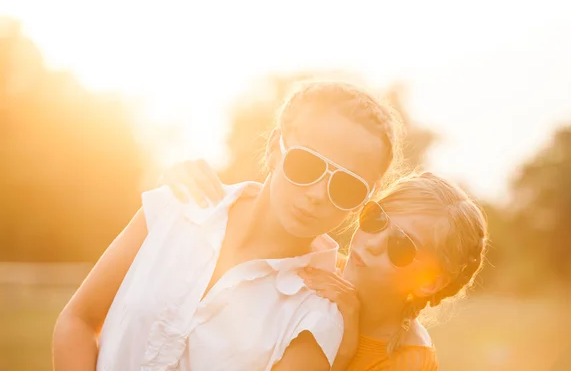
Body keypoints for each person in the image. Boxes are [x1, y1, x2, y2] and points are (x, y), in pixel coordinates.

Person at [52, 81, 402, 371]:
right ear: (274, 150)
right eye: (306, 164)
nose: (316, 194)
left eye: (346, 187)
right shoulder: (177, 203)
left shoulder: (319, 313)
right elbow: (78, 322)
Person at [163, 168, 488, 371]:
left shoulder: (408, 362)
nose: (372, 242)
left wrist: (344, 345)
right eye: (376, 219)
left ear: (430, 282)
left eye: (401, 246)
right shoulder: (313, 260)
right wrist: (186, 183)